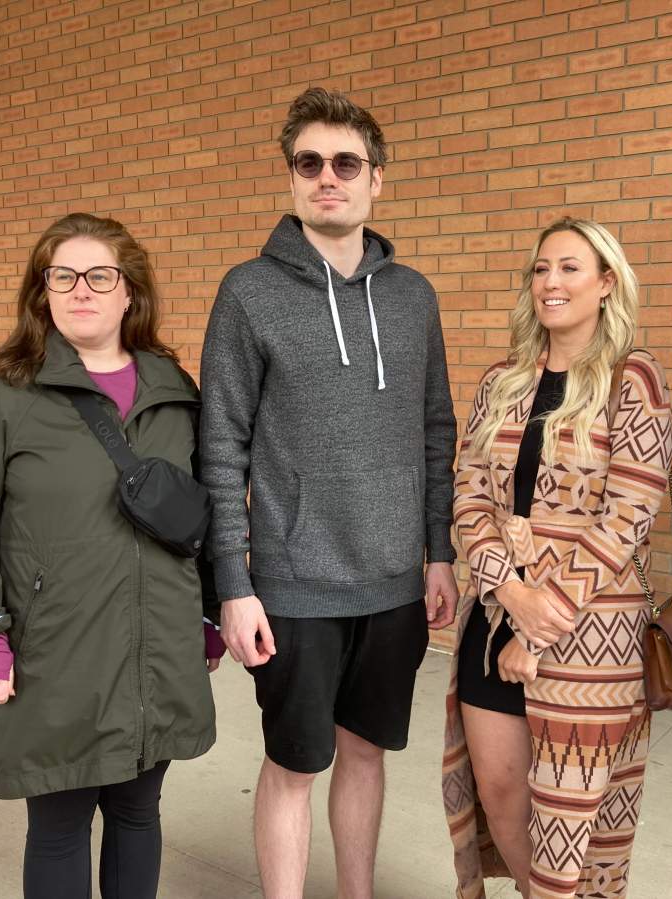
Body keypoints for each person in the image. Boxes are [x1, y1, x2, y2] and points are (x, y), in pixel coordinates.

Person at [199, 86, 458, 899]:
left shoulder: (413, 297)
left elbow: (435, 431)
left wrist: (439, 552)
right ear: (292, 178)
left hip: (392, 583)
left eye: (346, 162)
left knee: (367, 752)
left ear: (377, 178)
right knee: (293, 763)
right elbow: (220, 449)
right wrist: (234, 587)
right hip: (293, 583)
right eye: (308, 163)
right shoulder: (249, 292)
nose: (327, 177)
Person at [0, 212, 223, 898]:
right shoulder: (0, 392)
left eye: (99, 275)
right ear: (42, 292)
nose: (80, 289)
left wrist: (204, 612)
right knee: (59, 822)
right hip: (54, 648)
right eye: (62, 275)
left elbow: (207, 513)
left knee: (138, 810)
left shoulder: (174, 393)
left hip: (156, 645)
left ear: (129, 293)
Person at [442, 217, 672, 899]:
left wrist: (543, 621)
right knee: (500, 790)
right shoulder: (502, 382)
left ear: (606, 283)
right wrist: (511, 597)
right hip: (495, 611)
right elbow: (469, 496)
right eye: (542, 269)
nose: (552, 282)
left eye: (571, 268)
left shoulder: (636, 382)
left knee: (568, 814)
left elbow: (628, 515)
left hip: (591, 633)